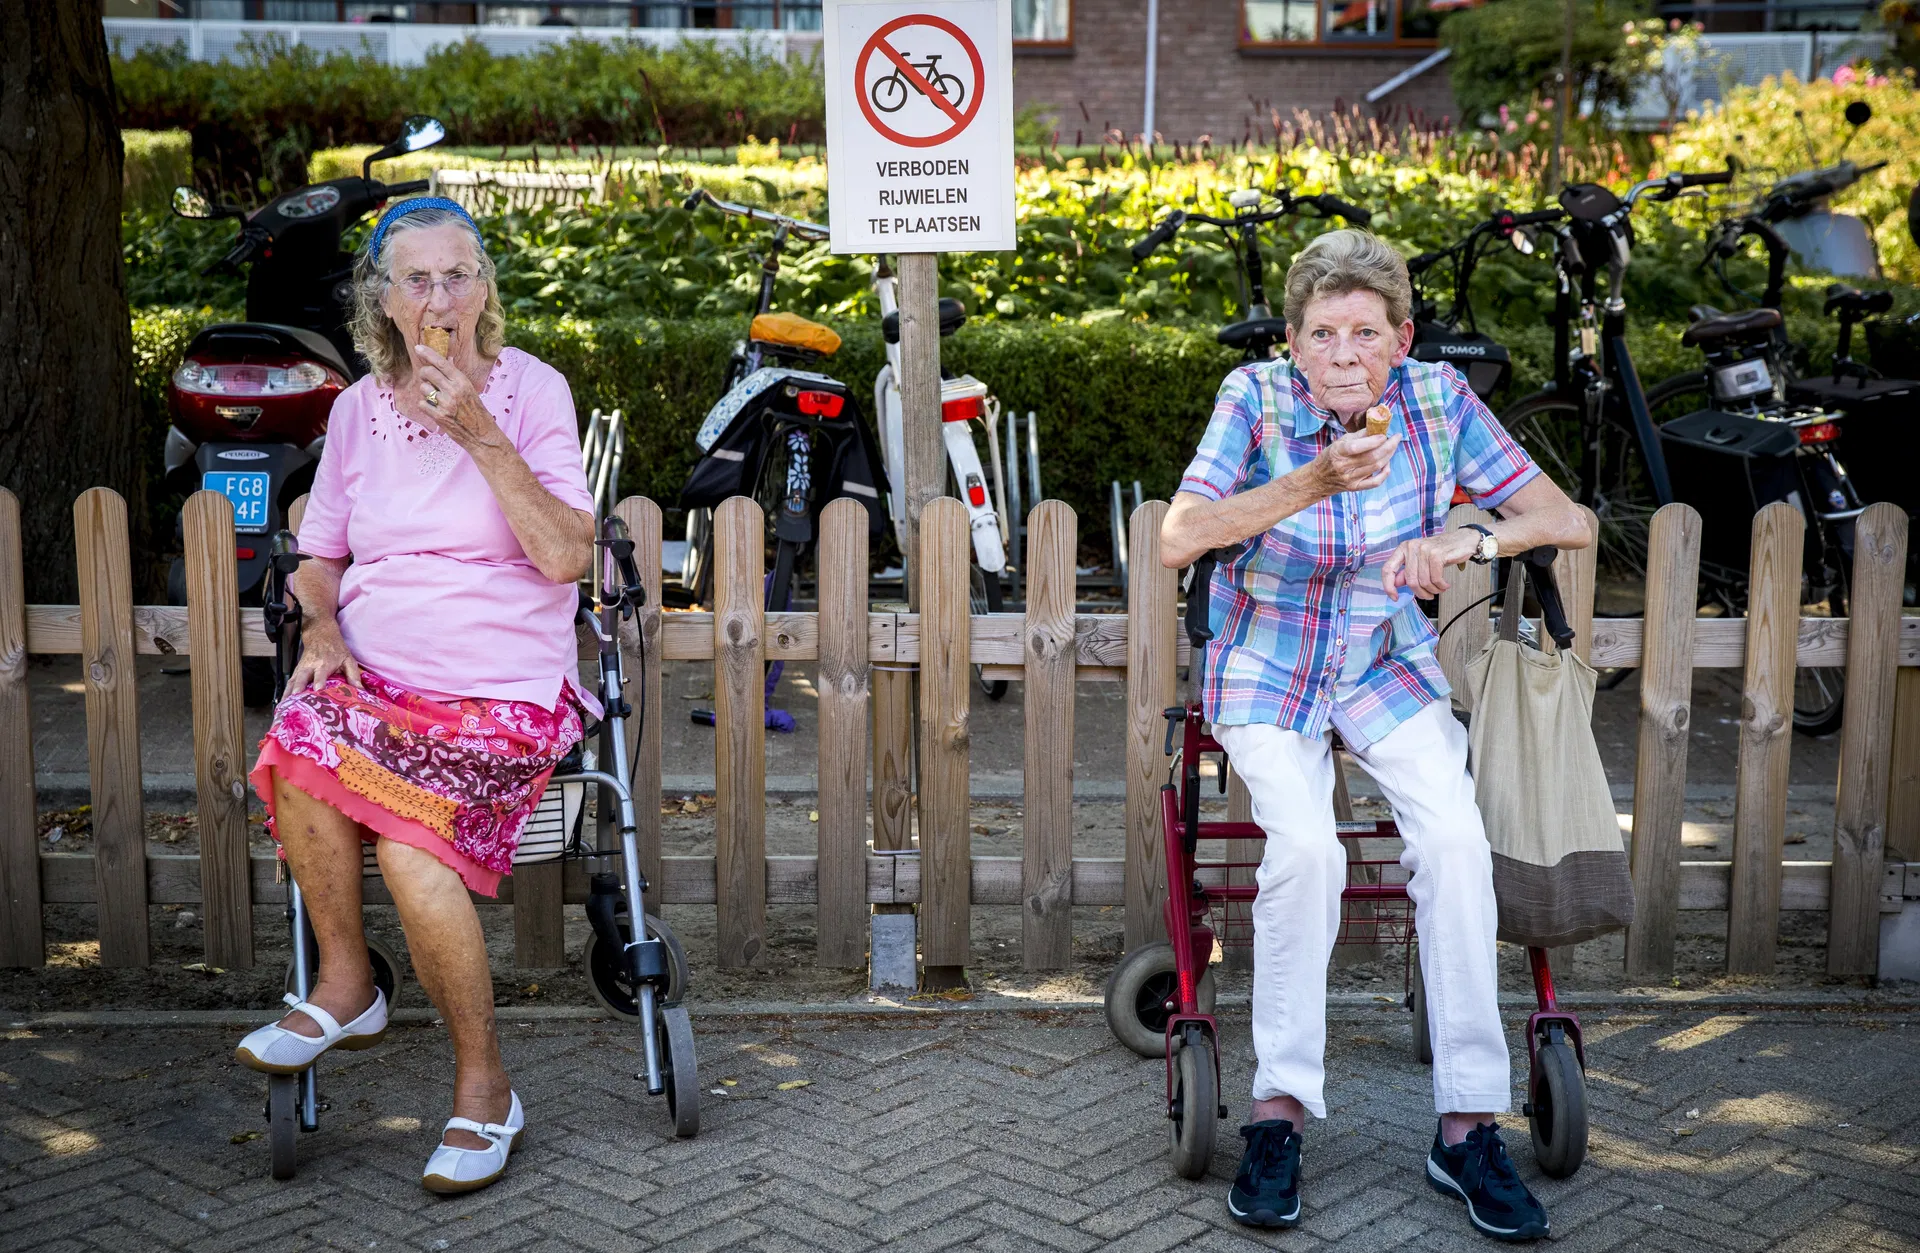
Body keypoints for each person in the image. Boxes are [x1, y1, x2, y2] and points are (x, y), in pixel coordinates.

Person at [1161, 229, 1591, 1241]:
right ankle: (1279, 1109)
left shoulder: (1439, 400)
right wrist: (1315, 481)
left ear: (1401, 338)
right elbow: (1180, 534)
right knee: (1304, 848)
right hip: (1264, 659)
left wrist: (1465, 538)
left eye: (1364, 330)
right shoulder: (1256, 398)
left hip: (1382, 662)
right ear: (1292, 340)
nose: (1344, 352)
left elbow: (1561, 517)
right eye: (1321, 332)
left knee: (1453, 837)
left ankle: (1466, 1120)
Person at [233, 197, 597, 1195]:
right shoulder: (356, 411)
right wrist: (323, 624)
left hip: (500, 694)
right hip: (381, 682)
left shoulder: (532, 393)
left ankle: (486, 1089)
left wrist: (481, 433)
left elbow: (569, 553)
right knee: (301, 730)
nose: (441, 296)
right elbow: (320, 558)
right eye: (418, 279)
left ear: (485, 291)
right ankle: (346, 980)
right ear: (383, 303)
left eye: (459, 275)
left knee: (408, 838)